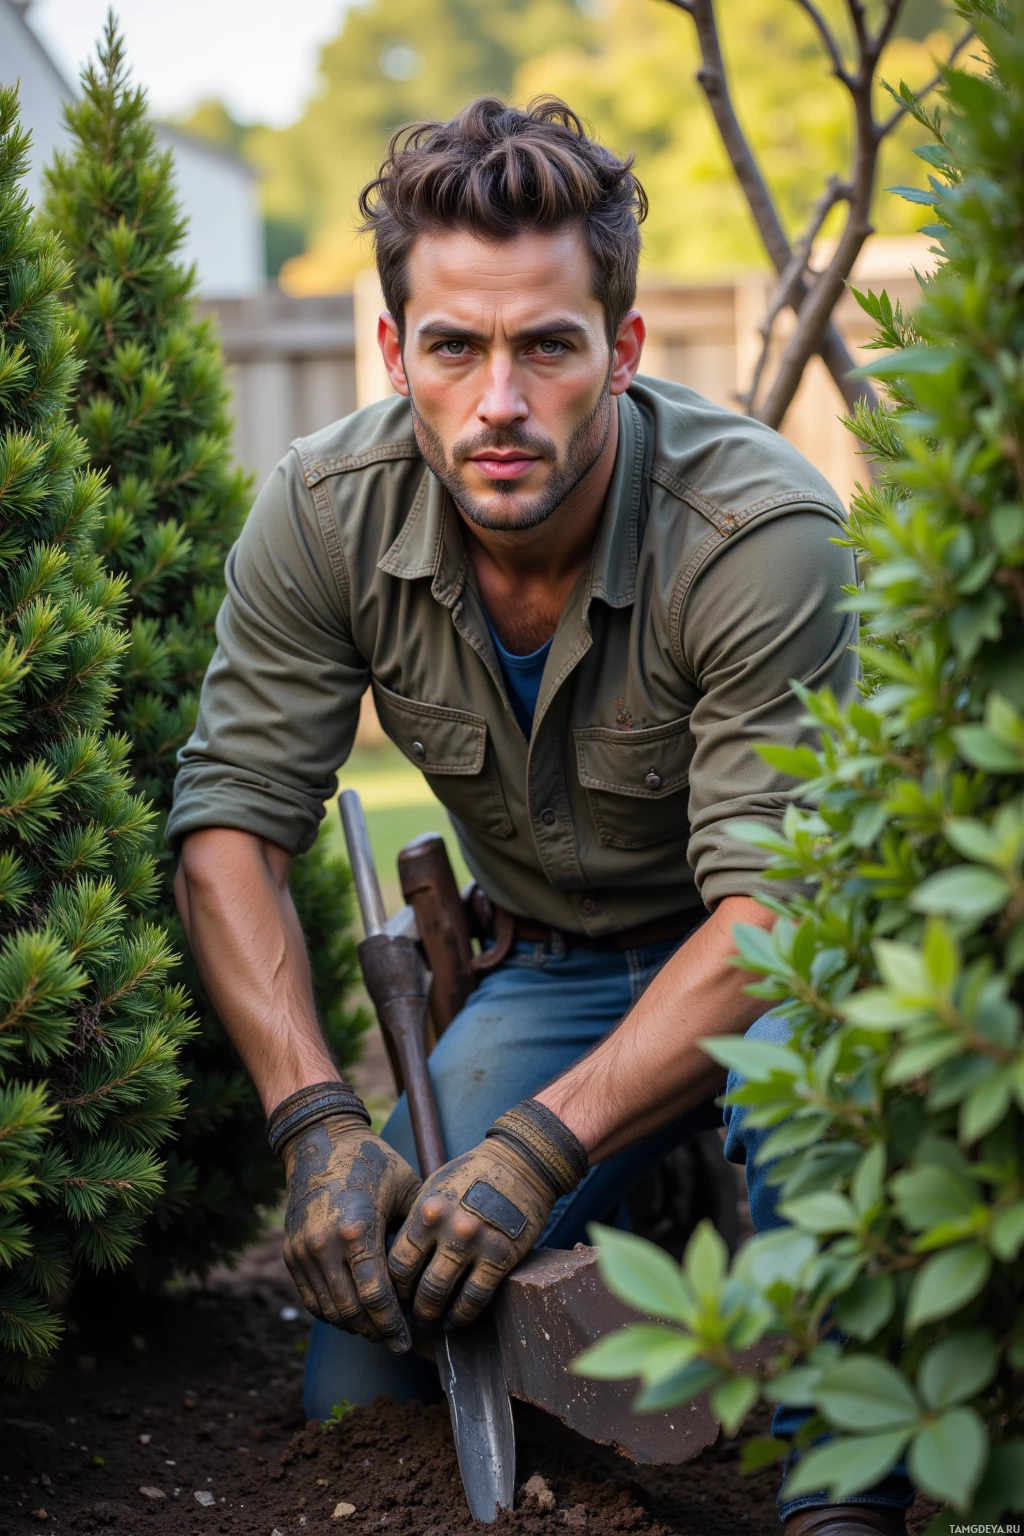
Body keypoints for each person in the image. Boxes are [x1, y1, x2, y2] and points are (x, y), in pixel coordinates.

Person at [168, 98, 912, 1534]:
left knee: (811, 1115)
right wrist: (317, 1122)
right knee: (366, 1371)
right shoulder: (324, 514)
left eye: (547, 346)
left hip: (770, 970)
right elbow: (233, 826)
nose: (497, 400)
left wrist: (540, 1147)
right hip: (554, 966)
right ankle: (634, 1227)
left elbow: (780, 913)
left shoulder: (759, 537)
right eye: (453, 346)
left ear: (621, 353)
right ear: (396, 353)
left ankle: (845, 1496)